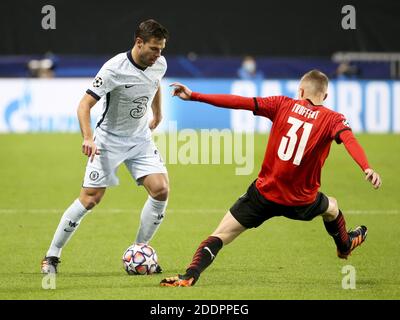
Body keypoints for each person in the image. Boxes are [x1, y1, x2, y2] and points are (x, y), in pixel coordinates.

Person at [160, 69, 382, 287]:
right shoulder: (333, 119)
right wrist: (366, 167)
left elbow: (239, 102)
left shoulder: (281, 104)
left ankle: (189, 275)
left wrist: (195, 96)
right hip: (302, 201)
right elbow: (349, 139)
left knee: (220, 235)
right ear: (325, 96)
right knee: (332, 208)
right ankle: (345, 246)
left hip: (263, 195)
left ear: (301, 90)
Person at [41, 19, 170, 274]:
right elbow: (84, 105)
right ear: (139, 43)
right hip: (109, 141)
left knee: (161, 189)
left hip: (140, 140)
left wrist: (157, 113)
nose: (159, 55)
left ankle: (139, 251)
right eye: (154, 49)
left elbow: (154, 84)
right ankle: (51, 256)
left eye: (162, 49)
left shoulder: (159, 64)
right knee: (90, 199)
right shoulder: (114, 68)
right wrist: (88, 137)